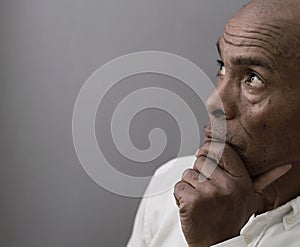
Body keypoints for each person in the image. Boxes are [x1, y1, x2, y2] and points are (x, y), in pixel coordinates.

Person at [127, 0, 300, 246]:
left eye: (253, 78)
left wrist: (214, 242)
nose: (213, 102)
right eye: (222, 66)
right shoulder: (169, 184)